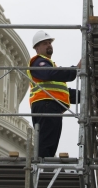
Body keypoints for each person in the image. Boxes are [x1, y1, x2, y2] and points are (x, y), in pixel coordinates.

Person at [27, 30, 80, 158]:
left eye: (49, 42)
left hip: (52, 106)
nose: (49, 45)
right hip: (45, 106)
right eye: (45, 43)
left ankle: (45, 166)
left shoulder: (51, 66)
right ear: (37, 48)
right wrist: (75, 69)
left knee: (50, 144)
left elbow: (63, 92)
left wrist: (84, 95)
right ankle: (43, 169)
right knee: (46, 145)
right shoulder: (38, 62)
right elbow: (49, 74)